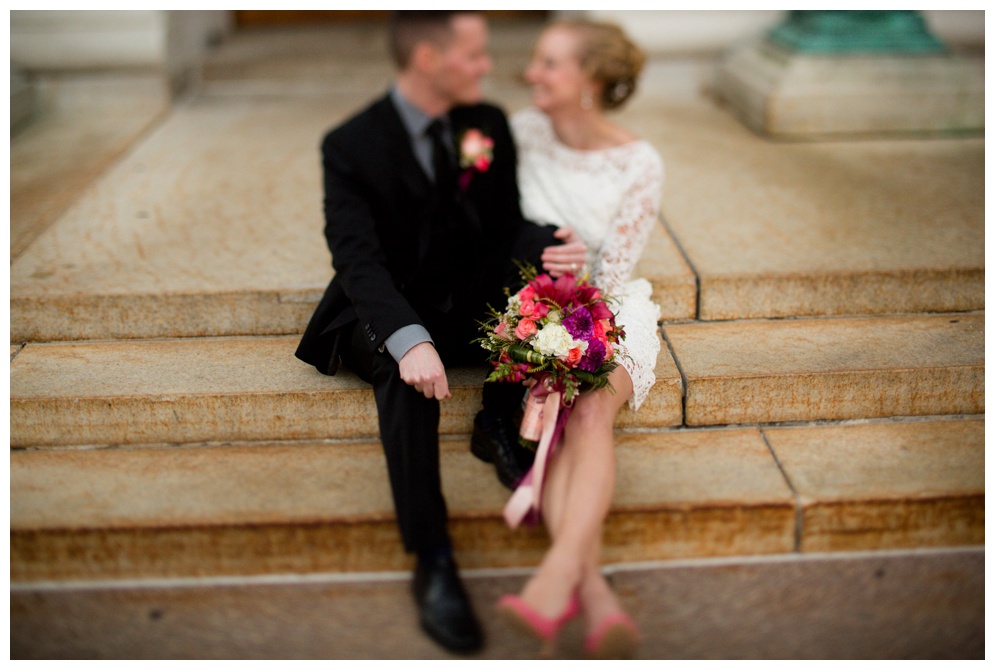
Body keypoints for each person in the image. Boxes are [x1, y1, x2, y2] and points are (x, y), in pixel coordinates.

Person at [294, 11, 587, 655]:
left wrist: (549, 245)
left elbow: (504, 223)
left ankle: (498, 421)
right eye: (473, 55)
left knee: (547, 299)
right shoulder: (350, 146)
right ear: (428, 58)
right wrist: (407, 336)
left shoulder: (485, 124)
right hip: (388, 305)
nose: (487, 67)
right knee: (404, 375)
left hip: (465, 294)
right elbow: (357, 259)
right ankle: (433, 558)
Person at [493, 20, 664, 659]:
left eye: (550, 64)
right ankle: (592, 597)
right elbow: (493, 226)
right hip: (525, 306)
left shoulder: (639, 163)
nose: (532, 73)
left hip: (608, 307)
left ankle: (556, 581)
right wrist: (536, 323)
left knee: (590, 409)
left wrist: (573, 333)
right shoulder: (518, 132)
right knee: (560, 415)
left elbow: (613, 273)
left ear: (589, 79)